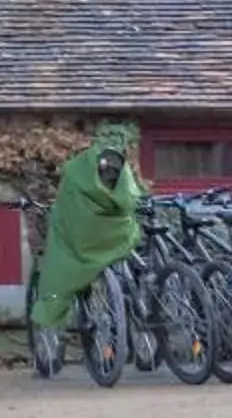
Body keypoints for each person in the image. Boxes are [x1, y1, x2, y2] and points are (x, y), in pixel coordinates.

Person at [30, 126, 146, 331]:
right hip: (117, 235)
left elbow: (67, 207)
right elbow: (129, 199)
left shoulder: (76, 170)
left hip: (83, 237)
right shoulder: (122, 170)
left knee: (60, 264)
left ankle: (55, 310)